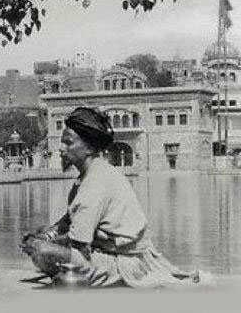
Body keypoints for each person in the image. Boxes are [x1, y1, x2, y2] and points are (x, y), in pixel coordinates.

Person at [20, 107, 198, 287]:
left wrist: (40, 244)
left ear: (89, 148)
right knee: (42, 236)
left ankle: (89, 279)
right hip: (114, 254)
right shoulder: (90, 175)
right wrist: (47, 234)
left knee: (42, 250)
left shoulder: (95, 182)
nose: (61, 148)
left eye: (68, 143)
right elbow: (67, 221)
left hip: (124, 263)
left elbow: (79, 243)